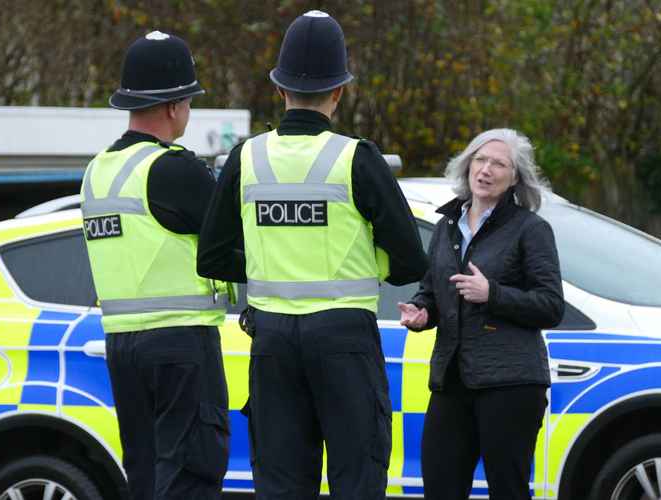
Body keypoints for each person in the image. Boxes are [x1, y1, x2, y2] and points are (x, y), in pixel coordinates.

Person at [197, 10, 428, 500]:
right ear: (339, 92)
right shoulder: (356, 157)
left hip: (273, 342)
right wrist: (362, 266)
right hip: (344, 340)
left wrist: (268, 268)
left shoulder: (246, 157)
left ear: (279, 90)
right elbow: (411, 261)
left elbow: (211, 257)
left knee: (280, 484)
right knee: (357, 478)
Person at [80, 31, 232, 500]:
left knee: (145, 477)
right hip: (180, 344)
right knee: (190, 474)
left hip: (122, 346)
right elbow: (232, 239)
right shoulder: (173, 168)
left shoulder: (97, 171)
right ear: (173, 106)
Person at [399, 129, 564, 500]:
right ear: (467, 165)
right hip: (452, 379)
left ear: (515, 177)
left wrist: (493, 294)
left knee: (508, 490)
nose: (486, 169)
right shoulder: (446, 225)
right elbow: (435, 287)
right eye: (480, 160)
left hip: (510, 383)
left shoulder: (530, 230)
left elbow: (551, 305)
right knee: (440, 487)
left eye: (498, 163)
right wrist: (423, 311)